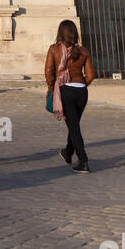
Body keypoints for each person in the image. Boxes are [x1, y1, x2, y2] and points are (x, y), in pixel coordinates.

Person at [45, 19, 96, 172]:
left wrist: (54, 90)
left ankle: (83, 161)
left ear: (60, 33)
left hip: (65, 90)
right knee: (73, 124)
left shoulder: (54, 49)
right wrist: (81, 85)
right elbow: (91, 75)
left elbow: (48, 73)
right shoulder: (83, 51)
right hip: (81, 91)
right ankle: (68, 152)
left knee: (74, 127)